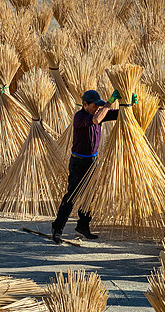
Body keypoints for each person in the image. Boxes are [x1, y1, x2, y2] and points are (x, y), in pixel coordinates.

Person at [51, 89, 120, 244]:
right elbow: (96, 120)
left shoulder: (98, 113)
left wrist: (127, 105)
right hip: (79, 162)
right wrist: (109, 103)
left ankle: (83, 226)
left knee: (89, 195)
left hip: (92, 161)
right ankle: (57, 228)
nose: (97, 108)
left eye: (98, 106)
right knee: (72, 196)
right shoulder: (80, 117)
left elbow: (116, 115)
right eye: (94, 106)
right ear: (85, 104)